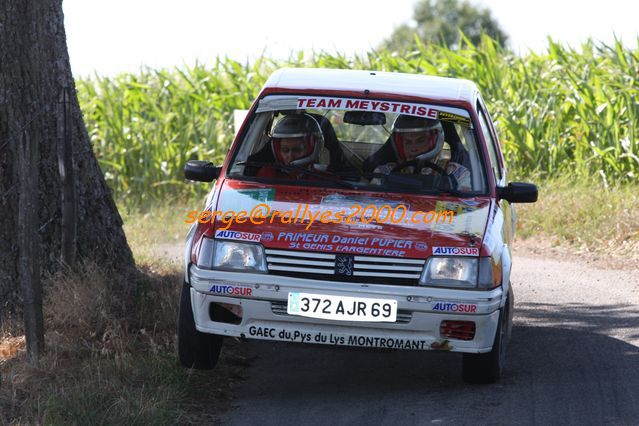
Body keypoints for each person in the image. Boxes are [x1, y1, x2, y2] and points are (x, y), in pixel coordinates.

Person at [370, 114, 471, 191]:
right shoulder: (384, 172)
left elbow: (466, 205)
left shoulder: (456, 172)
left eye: (420, 141)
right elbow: (371, 202)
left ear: (436, 141)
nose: (413, 148)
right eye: (408, 142)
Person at [256, 114, 325, 179]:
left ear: (312, 149)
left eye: (297, 150)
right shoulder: (267, 175)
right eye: (285, 150)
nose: (290, 156)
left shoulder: (324, 178)